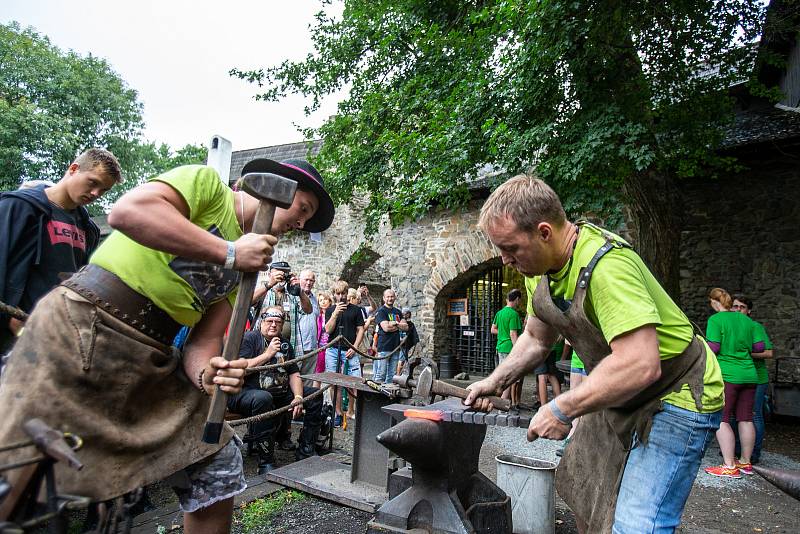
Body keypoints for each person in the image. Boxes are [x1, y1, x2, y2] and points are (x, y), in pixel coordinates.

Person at [0, 157, 334, 533]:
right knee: (18, 470)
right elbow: (128, 212)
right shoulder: (207, 185)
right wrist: (228, 252)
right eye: (302, 208)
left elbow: (204, 341)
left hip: (151, 358)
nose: (301, 223)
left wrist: (209, 373)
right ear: (276, 185)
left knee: (216, 461)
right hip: (84, 326)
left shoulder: (248, 268)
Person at [465, 174, 724, 533]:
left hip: (677, 393)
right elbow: (536, 339)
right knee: (584, 495)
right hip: (619, 391)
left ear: (544, 232)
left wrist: (561, 408)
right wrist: (495, 381)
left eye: (510, 248)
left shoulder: (607, 267)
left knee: (637, 525)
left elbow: (640, 362)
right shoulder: (537, 269)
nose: (505, 260)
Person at [0, 148, 122, 357]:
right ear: (73, 169)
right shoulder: (19, 207)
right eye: (93, 182)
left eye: (104, 190)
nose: (96, 194)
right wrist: (7, 317)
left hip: (57, 331)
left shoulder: (88, 229)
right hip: (14, 327)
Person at [226, 306, 323, 474]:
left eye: (278, 322)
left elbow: (293, 372)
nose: (273, 325)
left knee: (314, 395)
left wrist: (298, 396)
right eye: (269, 321)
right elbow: (240, 368)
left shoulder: (284, 343)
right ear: (261, 322)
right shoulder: (249, 339)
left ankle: (306, 449)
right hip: (245, 392)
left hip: (278, 392)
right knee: (263, 398)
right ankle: (265, 461)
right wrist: (267, 354)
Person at [703, 288, 765, 478]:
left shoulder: (715, 320)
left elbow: (713, 347)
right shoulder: (747, 320)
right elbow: (759, 347)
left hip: (728, 375)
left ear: (715, 302)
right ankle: (745, 463)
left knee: (721, 418)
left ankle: (729, 466)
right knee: (745, 418)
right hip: (750, 374)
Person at [731, 293, 773, 464]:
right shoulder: (728, 325)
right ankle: (736, 450)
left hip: (756, 378)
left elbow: (769, 352)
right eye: (735, 306)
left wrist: (746, 353)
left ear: (749, 311)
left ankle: (753, 454)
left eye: (742, 307)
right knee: (734, 416)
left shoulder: (755, 327)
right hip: (734, 377)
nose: (738, 310)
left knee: (753, 416)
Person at [324, 280, 365, 427]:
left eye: (343, 293)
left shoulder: (355, 309)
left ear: (347, 294)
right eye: (338, 294)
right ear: (334, 295)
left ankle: (352, 411)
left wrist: (354, 347)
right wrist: (335, 314)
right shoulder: (330, 310)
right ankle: (338, 412)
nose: (341, 296)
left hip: (350, 349)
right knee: (334, 382)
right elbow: (327, 330)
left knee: (355, 381)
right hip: (333, 349)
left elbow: (361, 329)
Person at [491, 289, 524, 404]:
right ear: (517, 299)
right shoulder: (514, 314)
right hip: (510, 349)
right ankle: (503, 403)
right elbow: (513, 334)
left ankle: (502, 401)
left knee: (502, 377)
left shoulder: (499, 313)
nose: (519, 303)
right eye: (519, 301)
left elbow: (493, 329)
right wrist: (518, 350)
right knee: (509, 379)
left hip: (500, 348)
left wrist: (502, 333)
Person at [372, 288, 408, 384]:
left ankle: (387, 396)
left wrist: (394, 324)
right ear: (384, 298)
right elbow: (386, 328)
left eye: (392, 296)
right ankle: (377, 396)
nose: (390, 298)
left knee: (392, 375)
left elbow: (406, 327)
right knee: (381, 374)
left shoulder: (398, 312)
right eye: (388, 296)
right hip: (384, 347)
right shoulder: (381, 311)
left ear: (395, 297)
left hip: (395, 348)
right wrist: (399, 325)